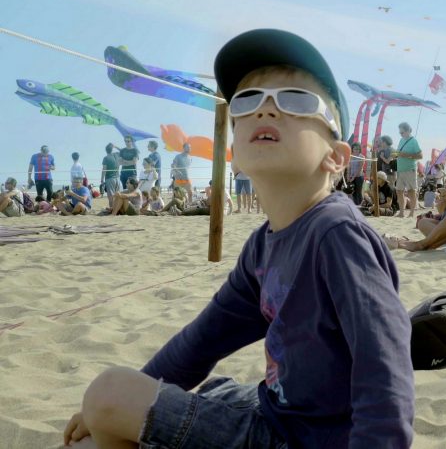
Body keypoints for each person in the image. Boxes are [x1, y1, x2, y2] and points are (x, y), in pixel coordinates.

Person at [64, 29, 414, 449]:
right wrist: (126, 402)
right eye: (247, 102)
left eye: (295, 100)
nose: (266, 109)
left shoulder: (336, 234)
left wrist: (116, 404)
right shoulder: (264, 244)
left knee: (108, 393)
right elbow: (202, 341)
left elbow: (385, 368)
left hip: (308, 438)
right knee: (102, 426)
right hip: (273, 411)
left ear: (336, 157)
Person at [395, 122, 422, 218]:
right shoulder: (401, 140)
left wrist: (406, 155)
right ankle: (402, 212)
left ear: (408, 131)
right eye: (400, 133)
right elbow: (400, 153)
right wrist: (395, 154)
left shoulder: (414, 141)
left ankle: (411, 213)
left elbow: (420, 156)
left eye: (402, 132)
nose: (401, 134)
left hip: (410, 169)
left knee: (411, 191)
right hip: (400, 169)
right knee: (399, 190)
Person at [100, 143, 121, 209]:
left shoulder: (106, 158)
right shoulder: (117, 154)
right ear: (112, 149)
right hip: (118, 178)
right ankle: (117, 209)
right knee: (117, 196)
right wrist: (115, 146)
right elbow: (122, 150)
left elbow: (104, 169)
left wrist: (102, 179)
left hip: (110, 179)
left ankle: (112, 209)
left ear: (106, 150)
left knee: (111, 197)